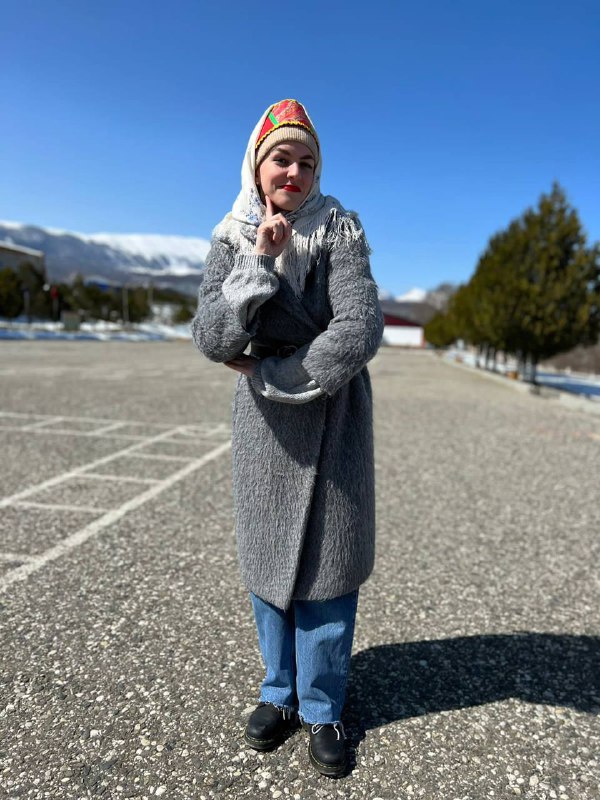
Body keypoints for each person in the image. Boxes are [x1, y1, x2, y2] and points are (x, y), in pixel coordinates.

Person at [191, 99, 383, 778]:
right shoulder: (231, 236)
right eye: (282, 158)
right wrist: (259, 263)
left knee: (330, 565)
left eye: (307, 161)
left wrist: (280, 374)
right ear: (257, 163)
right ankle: (279, 692)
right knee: (268, 558)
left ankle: (324, 706)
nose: (294, 172)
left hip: (331, 411)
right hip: (264, 432)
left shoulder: (340, 228)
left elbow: (360, 323)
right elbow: (212, 336)